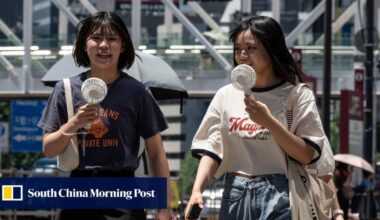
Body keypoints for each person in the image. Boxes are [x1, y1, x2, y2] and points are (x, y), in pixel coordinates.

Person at [185, 15, 331, 219]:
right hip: (235, 191)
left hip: (281, 192)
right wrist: (197, 190)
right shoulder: (226, 95)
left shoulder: (296, 95)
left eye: (251, 48)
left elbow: (306, 154)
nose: (242, 55)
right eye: (237, 49)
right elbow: (212, 149)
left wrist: (268, 122)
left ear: (272, 50)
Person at [38, 11, 170, 220]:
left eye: (112, 39)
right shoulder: (66, 89)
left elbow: (156, 152)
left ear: (123, 45)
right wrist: (74, 123)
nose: (103, 45)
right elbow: (48, 148)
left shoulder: (137, 92)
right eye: (96, 38)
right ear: (84, 44)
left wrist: (163, 206)